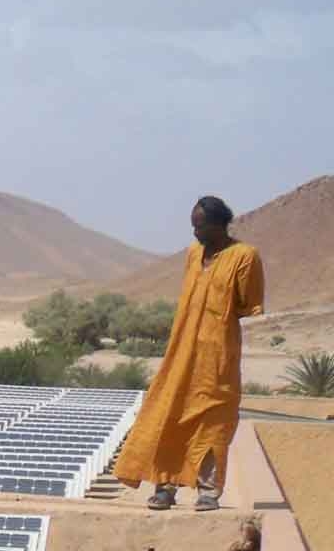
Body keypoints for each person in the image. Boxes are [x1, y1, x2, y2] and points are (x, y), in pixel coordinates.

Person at [112, 196, 264, 511]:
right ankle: (165, 488)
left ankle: (208, 491)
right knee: (170, 415)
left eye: (201, 226)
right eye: (193, 226)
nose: (195, 233)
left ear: (220, 225)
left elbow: (247, 304)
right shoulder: (194, 254)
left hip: (217, 357)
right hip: (181, 351)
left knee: (213, 422)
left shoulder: (245, 256)